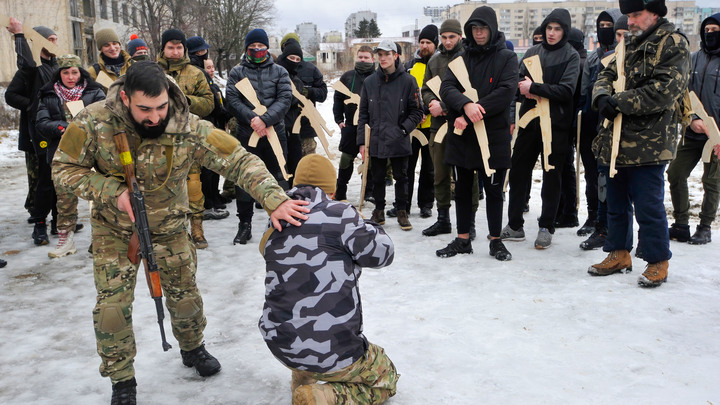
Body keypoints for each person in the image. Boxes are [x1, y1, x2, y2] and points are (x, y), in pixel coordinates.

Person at [51, 60, 310, 405]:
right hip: (115, 229)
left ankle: (192, 348)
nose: (155, 117)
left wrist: (273, 198)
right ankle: (122, 379)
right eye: (145, 109)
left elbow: (237, 159)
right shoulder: (94, 120)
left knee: (185, 298)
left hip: (170, 226)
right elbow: (64, 169)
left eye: (161, 107)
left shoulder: (187, 126)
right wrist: (113, 191)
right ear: (126, 99)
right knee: (112, 308)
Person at [259, 154, 398, 405]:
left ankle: (303, 374)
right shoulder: (340, 214)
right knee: (385, 376)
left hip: (281, 343)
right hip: (332, 349)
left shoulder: (278, 214)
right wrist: (365, 224)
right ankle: (323, 396)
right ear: (332, 190)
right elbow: (383, 254)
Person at [588, 0, 690, 288]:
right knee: (616, 202)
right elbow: (606, 74)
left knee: (648, 205)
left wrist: (616, 101)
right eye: (628, 15)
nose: (629, 21)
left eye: (636, 15)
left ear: (654, 14)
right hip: (616, 138)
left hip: (650, 141)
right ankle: (619, 253)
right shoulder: (627, 43)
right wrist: (601, 97)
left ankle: (657, 260)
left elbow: (665, 90)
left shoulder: (673, 43)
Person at [437, 6, 518, 260]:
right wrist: (465, 105)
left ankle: (496, 240)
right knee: (461, 188)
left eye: (483, 28)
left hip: (493, 136)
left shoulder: (506, 58)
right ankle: (463, 239)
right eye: (474, 28)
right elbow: (446, 88)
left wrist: (478, 109)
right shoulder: (460, 60)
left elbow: (506, 91)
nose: (479, 32)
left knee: (494, 190)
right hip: (463, 137)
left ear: (492, 28)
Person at [502, 8, 580, 249]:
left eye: (557, 29)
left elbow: (566, 91)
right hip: (528, 123)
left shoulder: (571, 56)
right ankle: (514, 225)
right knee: (517, 173)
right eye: (549, 28)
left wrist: (535, 87)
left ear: (564, 31)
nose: (552, 33)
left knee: (552, 176)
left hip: (555, 125)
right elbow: (519, 85)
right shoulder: (533, 52)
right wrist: (525, 89)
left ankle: (546, 225)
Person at [226, 28, 292, 245]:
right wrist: (253, 119)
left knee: (279, 177)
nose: (256, 51)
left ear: (267, 48)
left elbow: (284, 99)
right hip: (247, 133)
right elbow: (232, 100)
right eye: (252, 48)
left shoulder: (280, 72)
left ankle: (282, 222)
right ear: (246, 49)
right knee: (245, 178)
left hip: (275, 134)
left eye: (260, 47)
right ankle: (244, 224)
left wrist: (265, 120)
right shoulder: (237, 72)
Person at [35, 54, 106, 258]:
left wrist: (85, 127)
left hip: (92, 153)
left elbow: (104, 116)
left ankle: (99, 239)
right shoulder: (48, 94)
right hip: (63, 154)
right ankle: (66, 239)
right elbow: (41, 123)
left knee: (98, 197)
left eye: (74, 72)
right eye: (65, 72)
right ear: (59, 74)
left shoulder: (94, 92)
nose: (70, 76)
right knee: (64, 199)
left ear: (80, 72)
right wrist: (63, 127)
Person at [421, 19, 480, 238]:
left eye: (451, 37)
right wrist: (431, 104)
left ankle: (469, 222)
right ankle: (443, 218)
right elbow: (426, 88)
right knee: (440, 174)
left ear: (460, 37)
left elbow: (474, 91)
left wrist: (446, 105)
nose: (447, 41)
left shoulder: (470, 58)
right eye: (444, 37)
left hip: (464, 124)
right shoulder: (434, 61)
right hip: (438, 126)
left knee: (467, 176)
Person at [157, 28, 216, 248]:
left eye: (179, 47)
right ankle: (166, 231)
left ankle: (197, 229)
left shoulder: (195, 73)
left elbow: (209, 103)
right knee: (162, 187)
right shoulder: (151, 71)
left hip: (187, 137)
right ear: (163, 48)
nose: (174, 51)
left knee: (193, 185)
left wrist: (184, 101)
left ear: (184, 49)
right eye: (170, 47)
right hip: (158, 139)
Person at [358, 40, 424, 231]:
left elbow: (417, 111)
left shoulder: (408, 81)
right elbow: (363, 114)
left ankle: (402, 210)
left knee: (401, 176)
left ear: (396, 56)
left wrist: (403, 130)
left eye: (387, 54)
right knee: (377, 176)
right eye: (380, 54)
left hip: (399, 138)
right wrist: (362, 141)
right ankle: (378, 211)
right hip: (376, 138)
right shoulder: (370, 82)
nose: (383, 58)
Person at [666, 13, 720, 245]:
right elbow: (681, 94)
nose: (710, 34)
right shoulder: (692, 58)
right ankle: (681, 224)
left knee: (712, 182)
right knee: (675, 173)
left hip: (717, 136)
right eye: (707, 30)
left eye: (715, 30)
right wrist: (691, 119)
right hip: (691, 132)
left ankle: (705, 227)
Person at [5, 18, 60, 244]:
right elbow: (11, 95)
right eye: (50, 40)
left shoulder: (58, 66)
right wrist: (32, 105)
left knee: (60, 179)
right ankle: (39, 221)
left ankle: (60, 220)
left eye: (56, 39)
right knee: (42, 181)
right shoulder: (32, 69)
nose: (55, 43)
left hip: (59, 131)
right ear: (37, 42)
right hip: (38, 134)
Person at [387, 24, 437, 220]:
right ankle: (403, 205)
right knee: (406, 167)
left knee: (429, 168)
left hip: (432, 125)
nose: (424, 46)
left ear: (435, 44)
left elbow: (441, 92)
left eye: (429, 42)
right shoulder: (409, 66)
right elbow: (404, 93)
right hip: (411, 125)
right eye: (422, 42)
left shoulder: (440, 65)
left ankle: (426, 204)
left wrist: (425, 111)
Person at [187, 35, 231, 221]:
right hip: (204, 124)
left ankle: (214, 195)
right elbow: (210, 102)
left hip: (214, 123)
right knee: (205, 166)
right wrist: (223, 112)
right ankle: (208, 201)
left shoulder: (202, 73)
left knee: (213, 165)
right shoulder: (196, 72)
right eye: (203, 51)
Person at [333, 45, 376, 201]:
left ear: (373, 59)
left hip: (371, 127)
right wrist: (339, 120)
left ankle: (369, 193)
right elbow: (337, 99)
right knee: (346, 159)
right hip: (350, 126)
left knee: (369, 161)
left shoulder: (378, 77)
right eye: (360, 57)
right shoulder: (347, 77)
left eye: (366, 57)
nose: (362, 60)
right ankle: (341, 191)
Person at [280, 34, 328, 157]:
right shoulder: (276, 68)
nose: (294, 61)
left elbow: (323, 94)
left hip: (306, 126)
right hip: (283, 126)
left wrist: (309, 92)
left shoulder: (311, 69)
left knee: (308, 165)